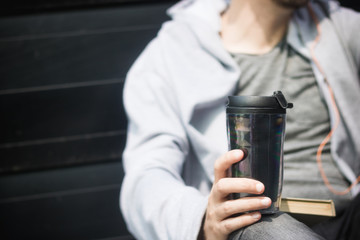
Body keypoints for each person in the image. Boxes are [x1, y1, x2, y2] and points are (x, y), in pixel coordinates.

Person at [120, 0, 360, 239]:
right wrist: (202, 220)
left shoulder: (337, 28)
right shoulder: (171, 55)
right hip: (257, 224)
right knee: (265, 227)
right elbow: (146, 176)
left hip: (348, 218)